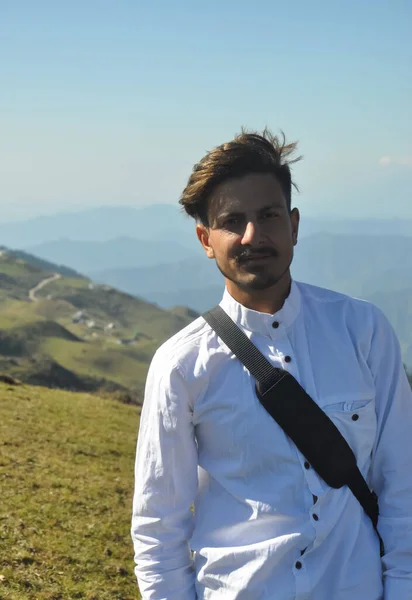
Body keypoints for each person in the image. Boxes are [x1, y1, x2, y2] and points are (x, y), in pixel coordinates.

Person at [131, 128, 412, 599]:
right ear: (205, 239)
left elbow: (402, 484)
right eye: (232, 221)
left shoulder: (363, 331)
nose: (252, 235)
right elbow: (159, 529)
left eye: (268, 216)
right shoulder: (181, 365)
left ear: (294, 224)